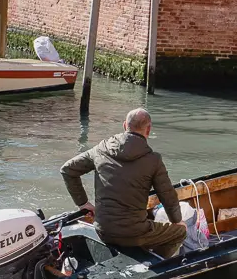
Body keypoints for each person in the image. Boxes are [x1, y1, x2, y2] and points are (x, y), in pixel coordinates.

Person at [60, 108, 186, 258]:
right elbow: (168, 197)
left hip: (102, 230)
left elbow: (67, 170)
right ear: (149, 129)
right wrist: (177, 221)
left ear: (125, 125)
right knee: (180, 232)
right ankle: (157, 263)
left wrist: (82, 203)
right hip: (135, 234)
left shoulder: (101, 149)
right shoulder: (153, 160)